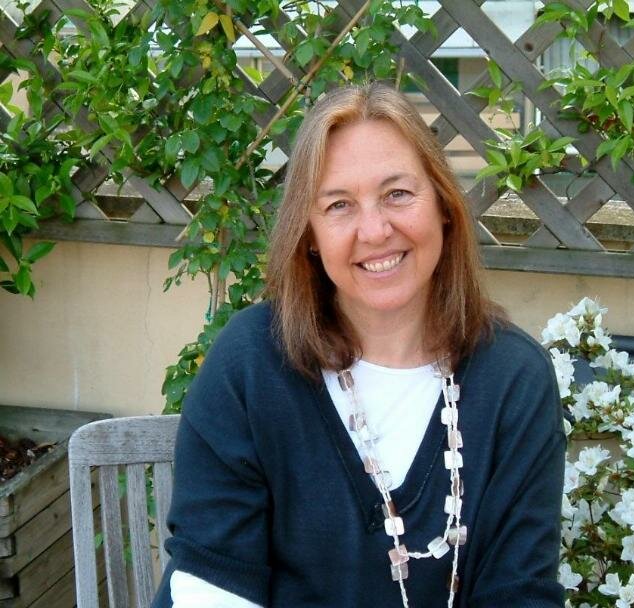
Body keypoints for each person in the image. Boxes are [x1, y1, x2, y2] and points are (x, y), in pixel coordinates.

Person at [151, 82, 566, 608]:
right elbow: (213, 586)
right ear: (309, 233)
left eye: (398, 194)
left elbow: (519, 593)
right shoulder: (251, 364)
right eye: (339, 205)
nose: (374, 230)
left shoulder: (513, 380)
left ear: (443, 205)